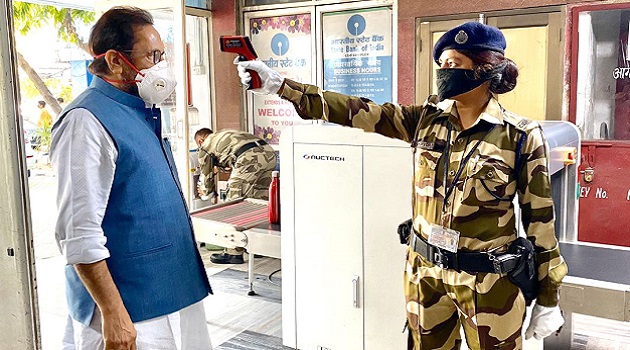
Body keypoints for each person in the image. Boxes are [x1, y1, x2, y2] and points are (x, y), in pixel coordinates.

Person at [236, 21, 567, 350]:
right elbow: (358, 111)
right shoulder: (425, 120)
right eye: (442, 65)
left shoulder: (519, 135)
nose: (444, 72)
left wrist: (549, 295)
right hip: (424, 274)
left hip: (489, 281)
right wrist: (280, 86)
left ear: (484, 69)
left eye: (454, 64)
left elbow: (541, 219)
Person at [50, 7, 212, 350]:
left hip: (162, 296)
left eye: (162, 56)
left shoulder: (138, 112)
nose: (161, 67)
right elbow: (78, 233)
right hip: (125, 314)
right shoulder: (85, 122)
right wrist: (112, 313)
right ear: (115, 61)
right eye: (152, 56)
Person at [194, 127, 277, 264]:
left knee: (233, 201)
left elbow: (206, 180)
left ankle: (233, 253)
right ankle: (259, 247)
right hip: (268, 154)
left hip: (248, 158)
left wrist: (205, 193)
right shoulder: (223, 134)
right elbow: (230, 159)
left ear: (201, 140)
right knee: (258, 201)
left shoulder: (205, 147)